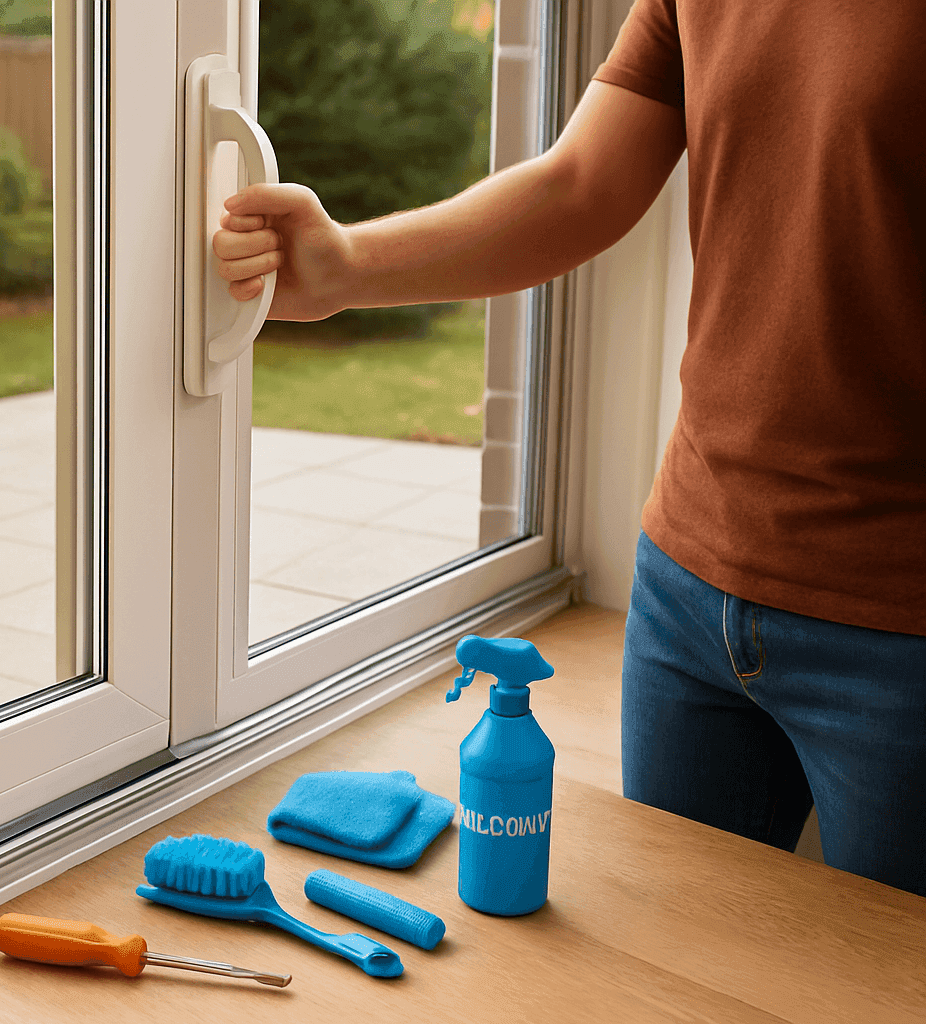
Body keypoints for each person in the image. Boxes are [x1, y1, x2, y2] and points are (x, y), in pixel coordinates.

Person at [212, 0, 926, 897]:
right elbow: (583, 183)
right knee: (676, 964)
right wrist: (349, 265)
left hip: (900, 632)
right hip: (688, 594)